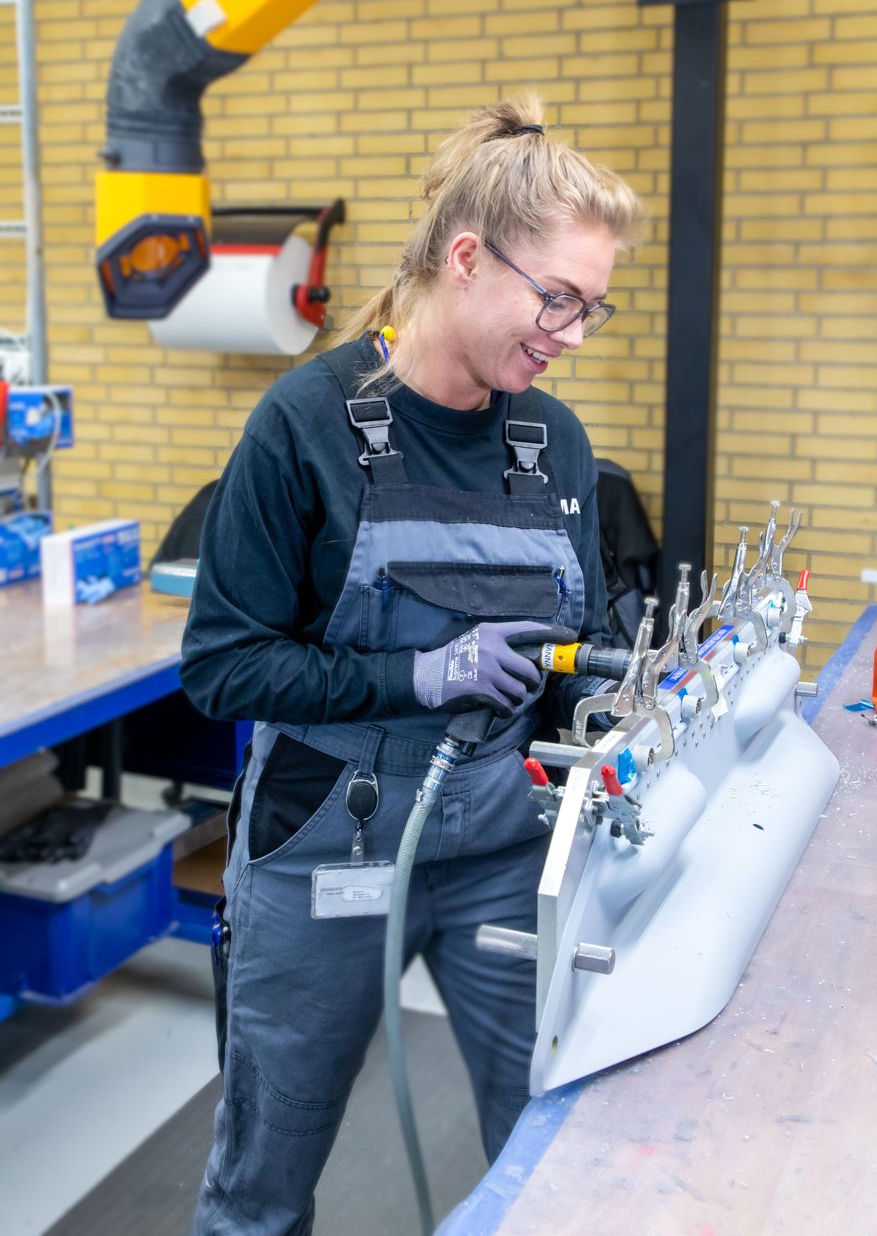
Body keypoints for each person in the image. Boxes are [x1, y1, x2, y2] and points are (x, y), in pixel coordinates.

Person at [181, 94, 640, 1235]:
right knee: (260, 1187)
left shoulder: (556, 443)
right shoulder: (306, 425)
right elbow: (224, 668)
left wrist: (615, 693)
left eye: (594, 307)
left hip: (502, 853)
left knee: (551, 1156)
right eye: (559, 300)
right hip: (326, 849)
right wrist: (419, 677)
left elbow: (566, 660)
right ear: (469, 259)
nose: (573, 335)